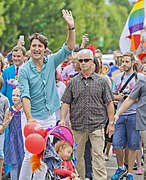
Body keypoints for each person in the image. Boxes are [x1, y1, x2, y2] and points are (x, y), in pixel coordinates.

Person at [18, 9, 75, 180]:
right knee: (30, 155)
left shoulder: (51, 62)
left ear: (44, 49)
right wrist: (29, 119)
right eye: (34, 46)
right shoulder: (24, 70)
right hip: (31, 118)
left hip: (49, 116)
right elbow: (25, 96)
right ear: (30, 48)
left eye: (40, 46)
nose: (36, 49)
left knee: (45, 155)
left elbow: (69, 48)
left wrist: (71, 28)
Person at [60, 49, 115, 180]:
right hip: (77, 126)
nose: (83, 63)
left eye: (86, 60)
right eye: (81, 60)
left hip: (97, 125)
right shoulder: (73, 82)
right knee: (77, 157)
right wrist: (62, 119)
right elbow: (66, 102)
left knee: (98, 157)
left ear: (92, 62)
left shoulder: (101, 81)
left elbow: (109, 103)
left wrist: (111, 123)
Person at [111, 52, 144, 180]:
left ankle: (129, 172)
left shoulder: (139, 77)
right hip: (120, 114)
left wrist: (134, 99)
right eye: (122, 62)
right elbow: (112, 95)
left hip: (134, 114)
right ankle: (121, 167)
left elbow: (144, 96)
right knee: (117, 144)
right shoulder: (118, 77)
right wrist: (117, 97)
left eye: (126, 62)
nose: (124, 64)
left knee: (133, 145)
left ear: (133, 62)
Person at [3, 88, 24, 180]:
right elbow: (4, 126)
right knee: (14, 163)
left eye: (17, 96)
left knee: (23, 162)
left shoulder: (24, 110)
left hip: (22, 137)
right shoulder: (9, 110)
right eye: (13, 95)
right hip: (12, 138)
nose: (14, 98)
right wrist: (8, 120)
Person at [0, 76, 10, 179]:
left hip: (1, 130)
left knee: (0, 153)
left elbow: (7, 116)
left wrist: (3, 126)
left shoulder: (4, 100)